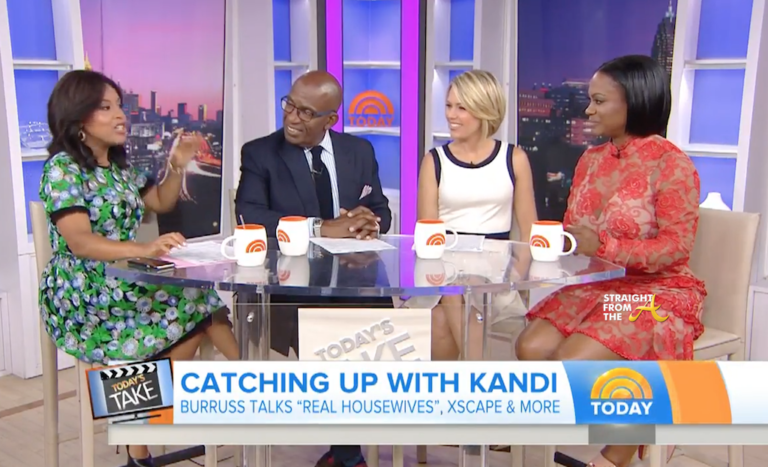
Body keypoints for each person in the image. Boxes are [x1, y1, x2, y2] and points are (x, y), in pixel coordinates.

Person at [38, 70, 239, 467]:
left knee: (199, 300)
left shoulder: (120, 168)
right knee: (198, 303)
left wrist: (176, 165)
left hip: (124, 278)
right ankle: (260, 390)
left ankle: (139, 445)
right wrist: (145, 247)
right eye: (106, 107)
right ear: (78, 118)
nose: (120, 115)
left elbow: (161, 202)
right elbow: (80, 242)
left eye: (120, 106)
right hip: (83, 289)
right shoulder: (63, 168)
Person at [515, 55, 705, 467]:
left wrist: (604, 244)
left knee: (568, 362)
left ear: (633, 103)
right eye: (590, 100)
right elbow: (578, 227)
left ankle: (614, 456)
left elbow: (676, 247)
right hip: (597, 285)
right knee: (529, 347)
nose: (588, 110)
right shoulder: (591, 159)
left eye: (599, 101)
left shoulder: (672, 165)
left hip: (656, 291)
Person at [235, 70, 392, 467]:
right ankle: (348, 455)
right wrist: (320, 228)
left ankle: (346, 450)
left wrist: (370, 224)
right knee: (339, 345)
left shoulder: (359, 151)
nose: (292, 117)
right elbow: (250, 215)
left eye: (306, 112)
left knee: (380, 346)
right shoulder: (260, 153)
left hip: (357, 280)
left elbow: (380, 208)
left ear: (330, 119)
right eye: (289, 105)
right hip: (293, 285)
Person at [414, 70, 537, 361]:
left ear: (484, 110)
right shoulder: (434, 161)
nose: (451, 115)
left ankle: (465, 379)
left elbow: (530, 232)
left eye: (462, 108)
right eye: (449, 105)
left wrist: (514, 277)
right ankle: (478, 373)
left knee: (443, 319)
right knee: (452, 295)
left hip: (497, 269)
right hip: (444, 268)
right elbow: (427, 236)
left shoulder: (514, 159)